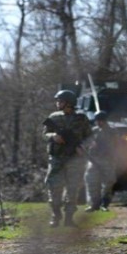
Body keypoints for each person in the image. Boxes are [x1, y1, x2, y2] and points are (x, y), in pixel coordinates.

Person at [43, 89, 92, 227]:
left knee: (73, 188)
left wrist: (83, 147)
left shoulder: (81, 118)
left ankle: (69, 218)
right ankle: (55, 215)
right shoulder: (53, 117)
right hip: (57, 158)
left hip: (75, 159)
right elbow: (44, 134)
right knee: (54, 187)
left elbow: (89, 137)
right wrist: (53, 136)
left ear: (69, 103)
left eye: (60, 101)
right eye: (58, 101)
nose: (58, 103)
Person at [84, 111, 118, 212]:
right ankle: (94, 204)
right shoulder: (93, 131)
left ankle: (105, 203)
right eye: (97, 121)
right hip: (93, 159)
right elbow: (86, 142)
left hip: (107, 159)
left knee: (108, 182)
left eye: (101, 121)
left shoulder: (112, 131)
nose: (99, 123)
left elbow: (115, 144)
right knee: (91, 182)